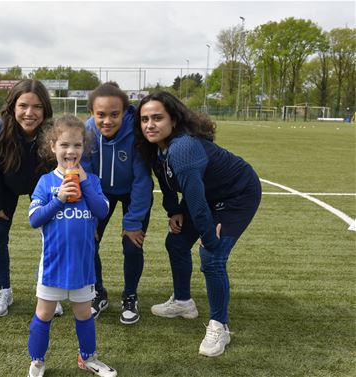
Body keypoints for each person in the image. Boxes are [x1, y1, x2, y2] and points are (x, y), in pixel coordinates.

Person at [134, 91, 262, 357]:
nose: (149, 125)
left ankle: (219, 326)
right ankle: (183, 302)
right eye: (144, 119)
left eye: (157, 118)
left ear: (174, 119)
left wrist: (210, 239)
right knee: (177, 242)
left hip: (238, 194)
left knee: (212, 257)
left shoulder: (183, 147)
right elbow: (168, 186)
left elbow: (196, 200)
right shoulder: (156, 146)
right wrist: (173, 211)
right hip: (209, 196)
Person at [27, 114, 116, 377]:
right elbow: (34, 219)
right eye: (64, 145)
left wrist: (85, 182)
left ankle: (87, 358)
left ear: (83, 148)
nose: (71, 151)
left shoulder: (92, 181)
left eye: (77, 145)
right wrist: (59, 200)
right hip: (53, 266)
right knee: (43, 314)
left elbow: (101, 210)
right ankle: (37, 361)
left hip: (82, 266)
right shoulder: (46, 182)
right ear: (53, 146)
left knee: (84, 313)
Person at [0, 79, 64, 317]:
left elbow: (58, 170)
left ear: (45, 109)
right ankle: (3, 290)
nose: (30, 113)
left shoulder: (53, 132)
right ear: (12, 107)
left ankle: (50, 292)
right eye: (23, 106)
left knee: (53, 233)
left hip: (41, 185)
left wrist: (56, 203)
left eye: (37, 107)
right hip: (6, 185)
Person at [82, 82, 153, 324]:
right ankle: (98, 293)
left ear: (124, 112)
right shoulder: (87, 132)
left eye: (115, 114)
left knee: (132, 244)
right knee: (88, 240)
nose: (107, 121)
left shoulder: (136, 133)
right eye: (101, 114)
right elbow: (87, 177)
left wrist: (133, 222)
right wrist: (90, 217)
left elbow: (143, 180)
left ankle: (130, 296)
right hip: (100, 192)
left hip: (133, 190)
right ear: (91, 112)